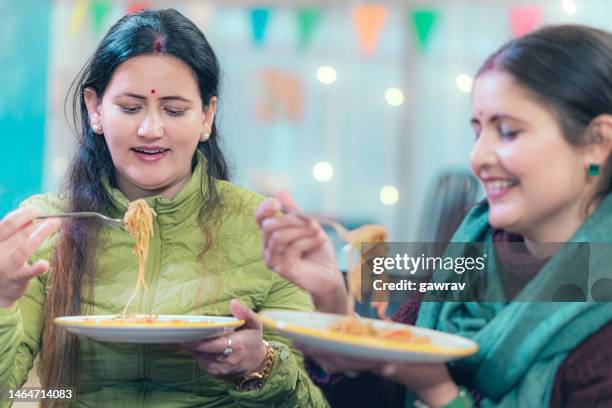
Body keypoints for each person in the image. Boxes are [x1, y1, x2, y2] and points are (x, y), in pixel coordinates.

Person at [256, 25, 612, 408]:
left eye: (508, 132)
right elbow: (376, 395)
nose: (478, 158)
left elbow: (416, 380)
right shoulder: (470, 255)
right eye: (478, 132)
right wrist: (332, 301)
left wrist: (437, 391)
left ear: (597, 143)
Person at [0, 8, 328, 407]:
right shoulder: (47, 226)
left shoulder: (264, 230)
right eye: (130, 107)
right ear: (95, 109)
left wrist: (261, 366)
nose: (151, 130)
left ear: (207, 116)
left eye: (174, 110)